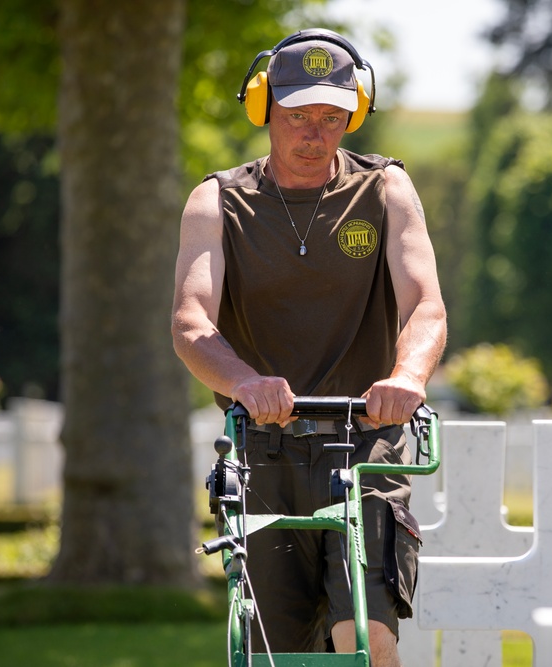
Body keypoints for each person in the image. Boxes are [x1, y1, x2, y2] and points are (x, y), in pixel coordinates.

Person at [171, 29, 447, 666]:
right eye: (298, 116)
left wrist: (407, 374)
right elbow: (191, 323)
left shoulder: (386, 191)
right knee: (271, 653)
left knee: (367, 640)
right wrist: (244, 382)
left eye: (332, 117)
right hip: (262, 453)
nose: (314, 134)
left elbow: (425, 304)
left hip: (366, 447)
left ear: (354, 113)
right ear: (264, 107)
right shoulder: (217, 201)